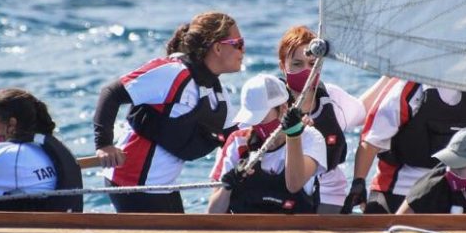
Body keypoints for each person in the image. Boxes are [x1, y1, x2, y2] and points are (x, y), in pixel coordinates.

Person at [92, 11, 242, 213]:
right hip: (131, 182)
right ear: (217, 47)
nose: (243, 51)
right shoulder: (172, 73)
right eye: (238, 43)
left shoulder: (216, 90)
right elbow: (110, 93)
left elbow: (235, 137)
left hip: (163, 186)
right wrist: (104, 144)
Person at [345, 78, 466, 214]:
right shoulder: (407, 87)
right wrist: (358, 183)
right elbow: (371, 140)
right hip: (397, 193)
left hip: (450, 195)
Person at [277, 26, 366, 214]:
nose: (306, 71)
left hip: (330, 195)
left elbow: (367, 111)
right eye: (297, 64)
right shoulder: (272, 101)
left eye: (312, 63)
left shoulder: (333, 98)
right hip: (280, 195)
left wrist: (391, 78)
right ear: (282, 66)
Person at [208, 74, 326, 214]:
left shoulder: (311, 138)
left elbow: (294, 184)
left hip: (295, 231)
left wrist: (293, 135)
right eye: (252, 119)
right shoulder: (237, 141)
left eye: (260, 117)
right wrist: (227, 186)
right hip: (246, 231)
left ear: (283, 109)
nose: (256, 124)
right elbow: (212, 214)